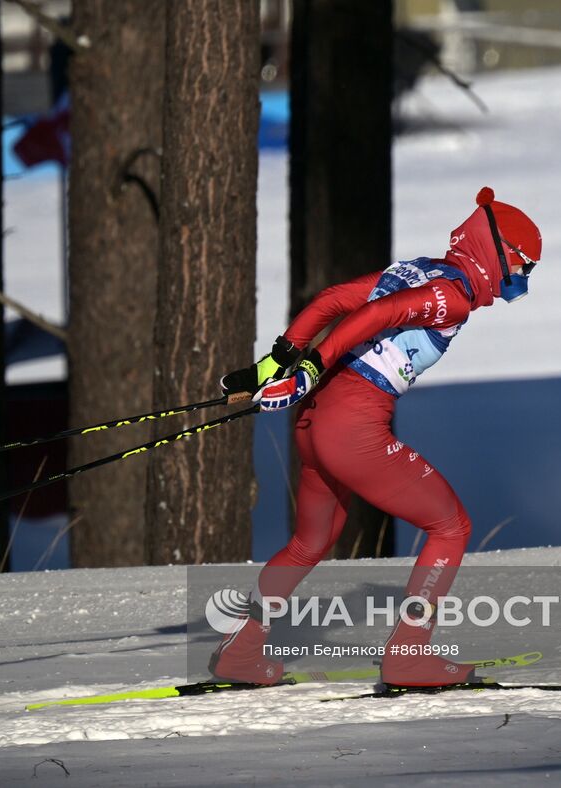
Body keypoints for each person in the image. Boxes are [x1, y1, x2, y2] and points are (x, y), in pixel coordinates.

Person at [211, 187, 543, 688]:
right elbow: (372, 317)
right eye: (522, 267)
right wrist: (309, 366)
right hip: (352, 427)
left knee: (310, 542)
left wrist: (282, 358)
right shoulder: (450, 296)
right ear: (497, 253)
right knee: (451, 527)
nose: (520, 280)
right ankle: (409, 655)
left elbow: (331, 300)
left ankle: (242, 650)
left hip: (313, 421)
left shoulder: (424, 269)